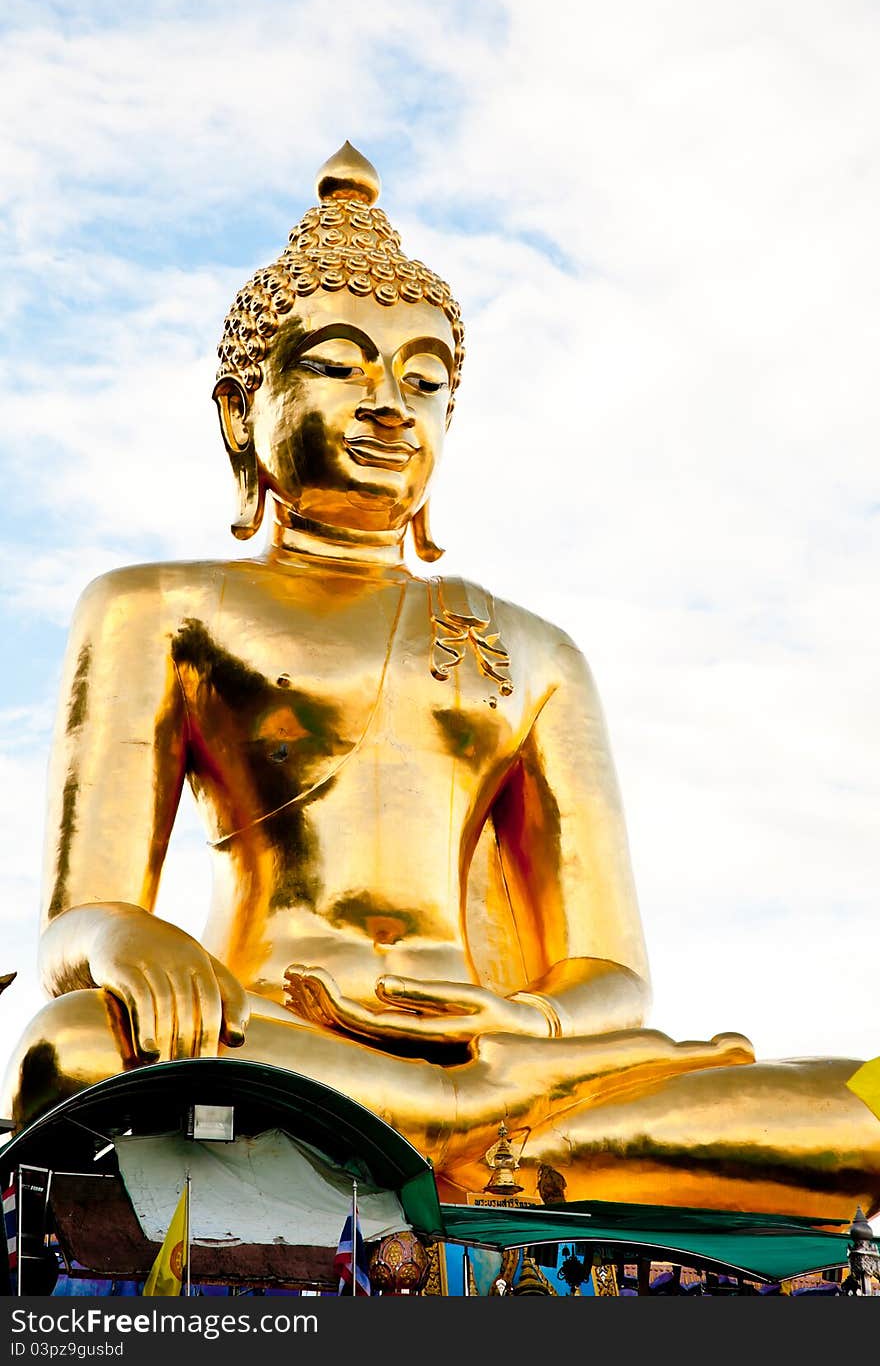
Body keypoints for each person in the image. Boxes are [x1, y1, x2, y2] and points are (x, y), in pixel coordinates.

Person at [3, 145, 878, 1219]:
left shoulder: (533, 649)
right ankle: (491, 1144)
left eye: (423, 380)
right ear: (241, 413)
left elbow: (607, 972)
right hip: (269, 1030)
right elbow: (73, 927)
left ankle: (465, 1127)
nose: (387, 405)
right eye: (337, 365)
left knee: (860, 1106)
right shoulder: (153, 607)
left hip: (494, 1052)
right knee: (72, 1048)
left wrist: (521, 1029)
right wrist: (123, 937)